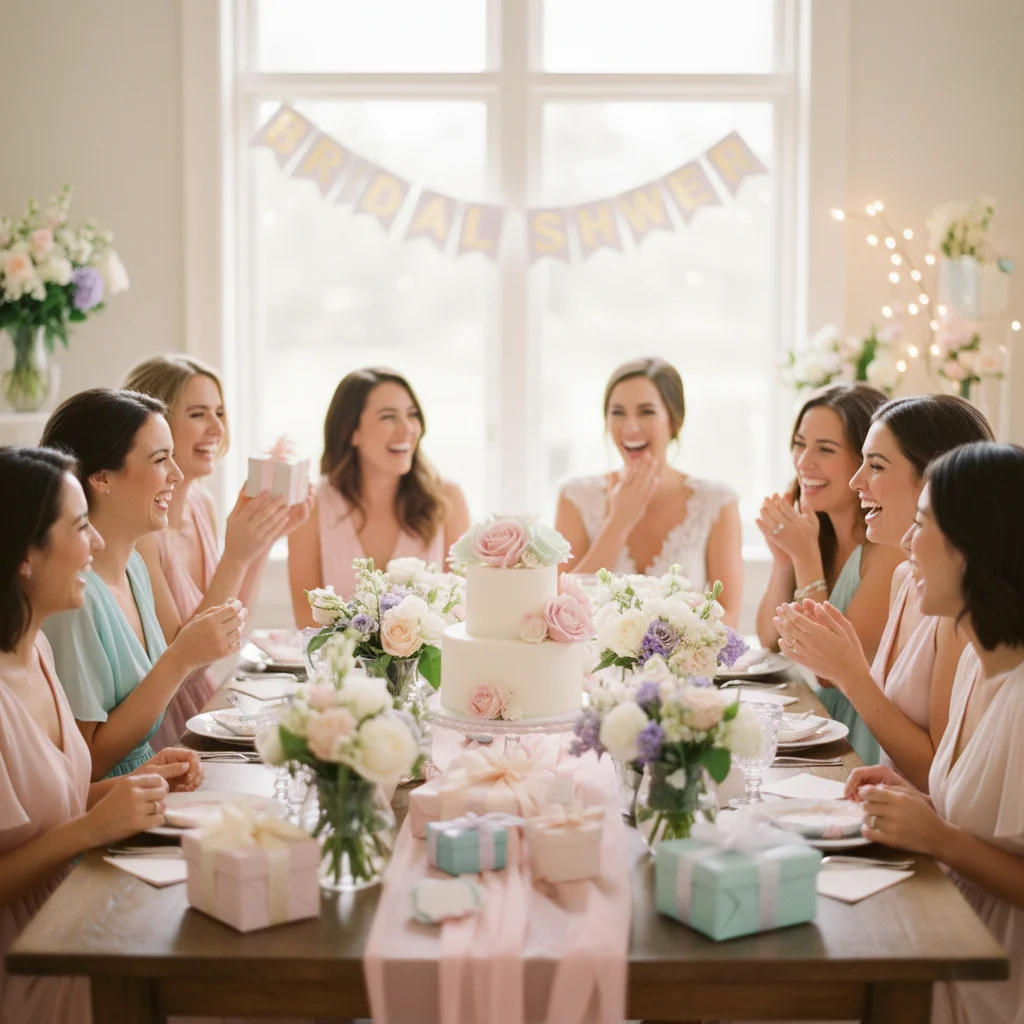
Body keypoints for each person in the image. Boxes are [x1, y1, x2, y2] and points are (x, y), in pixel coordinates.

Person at [0, 446, 202, 1023]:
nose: (94, 543)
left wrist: (129, 786)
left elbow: (40, 813)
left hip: (79, 907)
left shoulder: (36, 649)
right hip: (30, 957)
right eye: (80, 525)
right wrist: (89, 828)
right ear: (24, 555)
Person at [845, 442, 1024, 1024]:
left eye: (921, 524)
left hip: (994, 971)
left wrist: (939, 838)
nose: (905, 544)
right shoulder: (976, 661)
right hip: (943, 925)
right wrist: (914, 805)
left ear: (973, 547)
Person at [775, 395, 994, 789]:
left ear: (937, 479)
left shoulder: (960, 609)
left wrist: (848, 673)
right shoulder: (905, 579)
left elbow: (940, 780)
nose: (857, 481)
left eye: (875, 466)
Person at [39, 389, 244, 778]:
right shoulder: (73, 599)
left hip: (144, 785)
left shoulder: (134, 566)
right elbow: (87, 765)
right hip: (105, 812)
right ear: (101, 477)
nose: (177, 474)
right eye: (160, 459)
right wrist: (181, 657)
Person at [122, 355, 313, 750]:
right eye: (198, 413)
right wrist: (236, 556)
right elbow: (189, 658)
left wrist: (261, 542)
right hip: (158, 726)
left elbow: (230, 628)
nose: (216, 427)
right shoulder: (140, 535)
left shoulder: (201, 504)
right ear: (155, 423)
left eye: (220, 412)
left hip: (203, 704)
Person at [756, 384, 905, 764]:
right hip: (816, 726)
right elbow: (770, 639)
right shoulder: (815, 530)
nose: (804, 461)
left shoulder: (886, 552)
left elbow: (827, 673)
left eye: (825, 449)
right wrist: (784, 560)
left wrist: (805, 558)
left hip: (859, 745)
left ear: (865, 460)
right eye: (800, 444)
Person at [555, 357, 743, 626]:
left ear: (674, 421)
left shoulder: (717, 502)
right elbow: (562, 605)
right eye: (617, 412)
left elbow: (729, 617)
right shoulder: (575, 495)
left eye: (646, 412)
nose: (630, 427)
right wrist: (618, 522)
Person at [288, 367, 471, 626]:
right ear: (350, 431)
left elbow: (463, 613)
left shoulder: (447, 499)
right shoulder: (312, 504)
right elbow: (307, 620)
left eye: (412, 415)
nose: (407, 428)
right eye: (389, 417)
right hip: (338, 666)